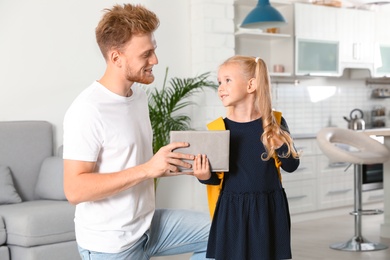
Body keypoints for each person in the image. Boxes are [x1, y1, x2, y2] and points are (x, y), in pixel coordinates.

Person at [62, 4, 210, 260]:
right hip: (111, 244)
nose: (155, 60)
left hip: (147, 225)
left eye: (154, 50)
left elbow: (131, 160)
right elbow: (75, 189)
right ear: (117, 57)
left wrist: (175, 166)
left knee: (223, 231)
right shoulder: (88, 109)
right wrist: (148, 169)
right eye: (146, 54)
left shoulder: (138, 96)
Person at [193, 55, 300, 260]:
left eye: (227, 80)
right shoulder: (218, 128)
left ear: (251, 85)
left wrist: (280, 145)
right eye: (219, 82)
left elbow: (292, 165)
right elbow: (216, 178)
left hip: (267, 209)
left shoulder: (275, 122)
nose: (220, 87)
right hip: (231, 210)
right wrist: (204, 175)